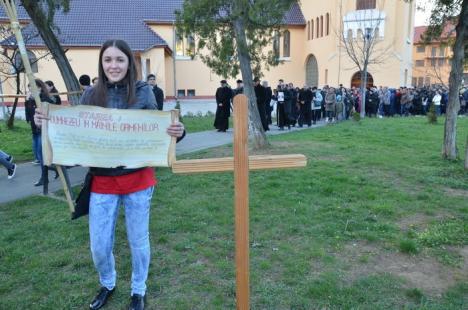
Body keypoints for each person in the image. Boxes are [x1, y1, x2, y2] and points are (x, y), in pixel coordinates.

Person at [35, 39, 185, 310]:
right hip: (102, 182)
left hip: (138, 181)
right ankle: (108, 283)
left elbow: (159, 131)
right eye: (108, 60)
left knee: (138, 241)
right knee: (99, 246)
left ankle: (138, 290)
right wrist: (48, 123)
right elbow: (77, 132)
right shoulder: (91, 94)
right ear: (101, 63)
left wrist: (178, 132)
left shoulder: (143, 93)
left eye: (119, 60)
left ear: (129, 63)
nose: (113, 65)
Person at [25, 79, 57, 186]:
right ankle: (55, 169)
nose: (30, 90)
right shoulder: (31, 100)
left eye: (32, 87)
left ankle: (44, 178)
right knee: (39, 156)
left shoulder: (44, 98)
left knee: (41, 155)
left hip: (43, 131)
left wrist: (36, 100)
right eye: (29, 88)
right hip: (35, 130)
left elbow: (51, 109)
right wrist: (27, 101)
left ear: (39, 88)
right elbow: (29, 117)